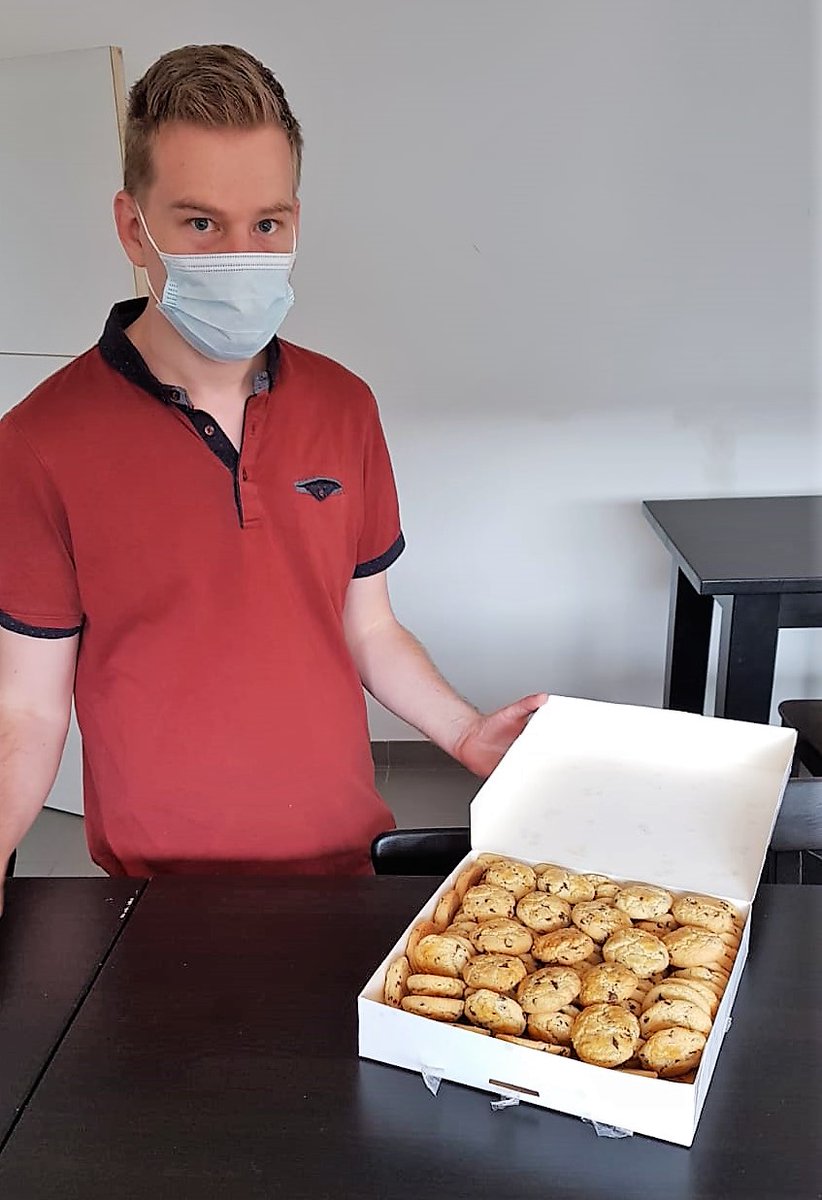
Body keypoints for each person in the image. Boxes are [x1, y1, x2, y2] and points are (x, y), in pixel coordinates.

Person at [0, 44, 544, 903]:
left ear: (295, 220)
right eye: (200, 223)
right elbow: (26, 709)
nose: (239, 253)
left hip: (341, 863)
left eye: (266, 224)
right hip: (157, 890)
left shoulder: (344, 404)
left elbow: (369, 627)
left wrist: (468, 732)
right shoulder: (38, 442)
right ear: (133, 227)